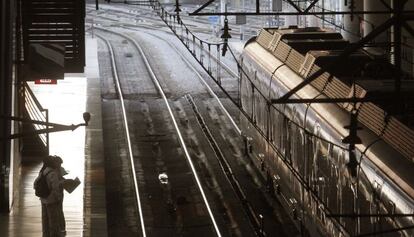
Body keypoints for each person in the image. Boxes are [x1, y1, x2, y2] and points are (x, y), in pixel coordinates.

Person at [35, 155, 65, 237]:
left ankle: (45, 235)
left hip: (43, 200)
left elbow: (35, 184)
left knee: (45, 220)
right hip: (52, 201)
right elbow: (55, 189)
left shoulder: (42, 172)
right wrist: (58, 198)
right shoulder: (53, 173)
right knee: (53, 221)